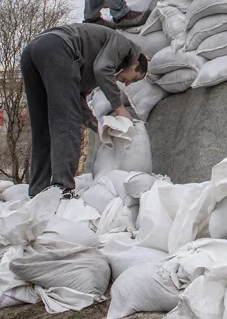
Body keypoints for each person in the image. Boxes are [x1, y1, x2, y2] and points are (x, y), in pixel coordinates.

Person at [20, 22, 147, 197]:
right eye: (134, 79)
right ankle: (63, 188)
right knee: (67, 124)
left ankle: (37, 190)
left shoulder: (90, 63)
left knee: (42, 128)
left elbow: (76, 100)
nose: (127, 83)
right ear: (135, 64)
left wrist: (98, 126)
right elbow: (102, 69)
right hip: (59, 47)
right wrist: (119, 109)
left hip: (33, 51)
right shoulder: (124, 46)